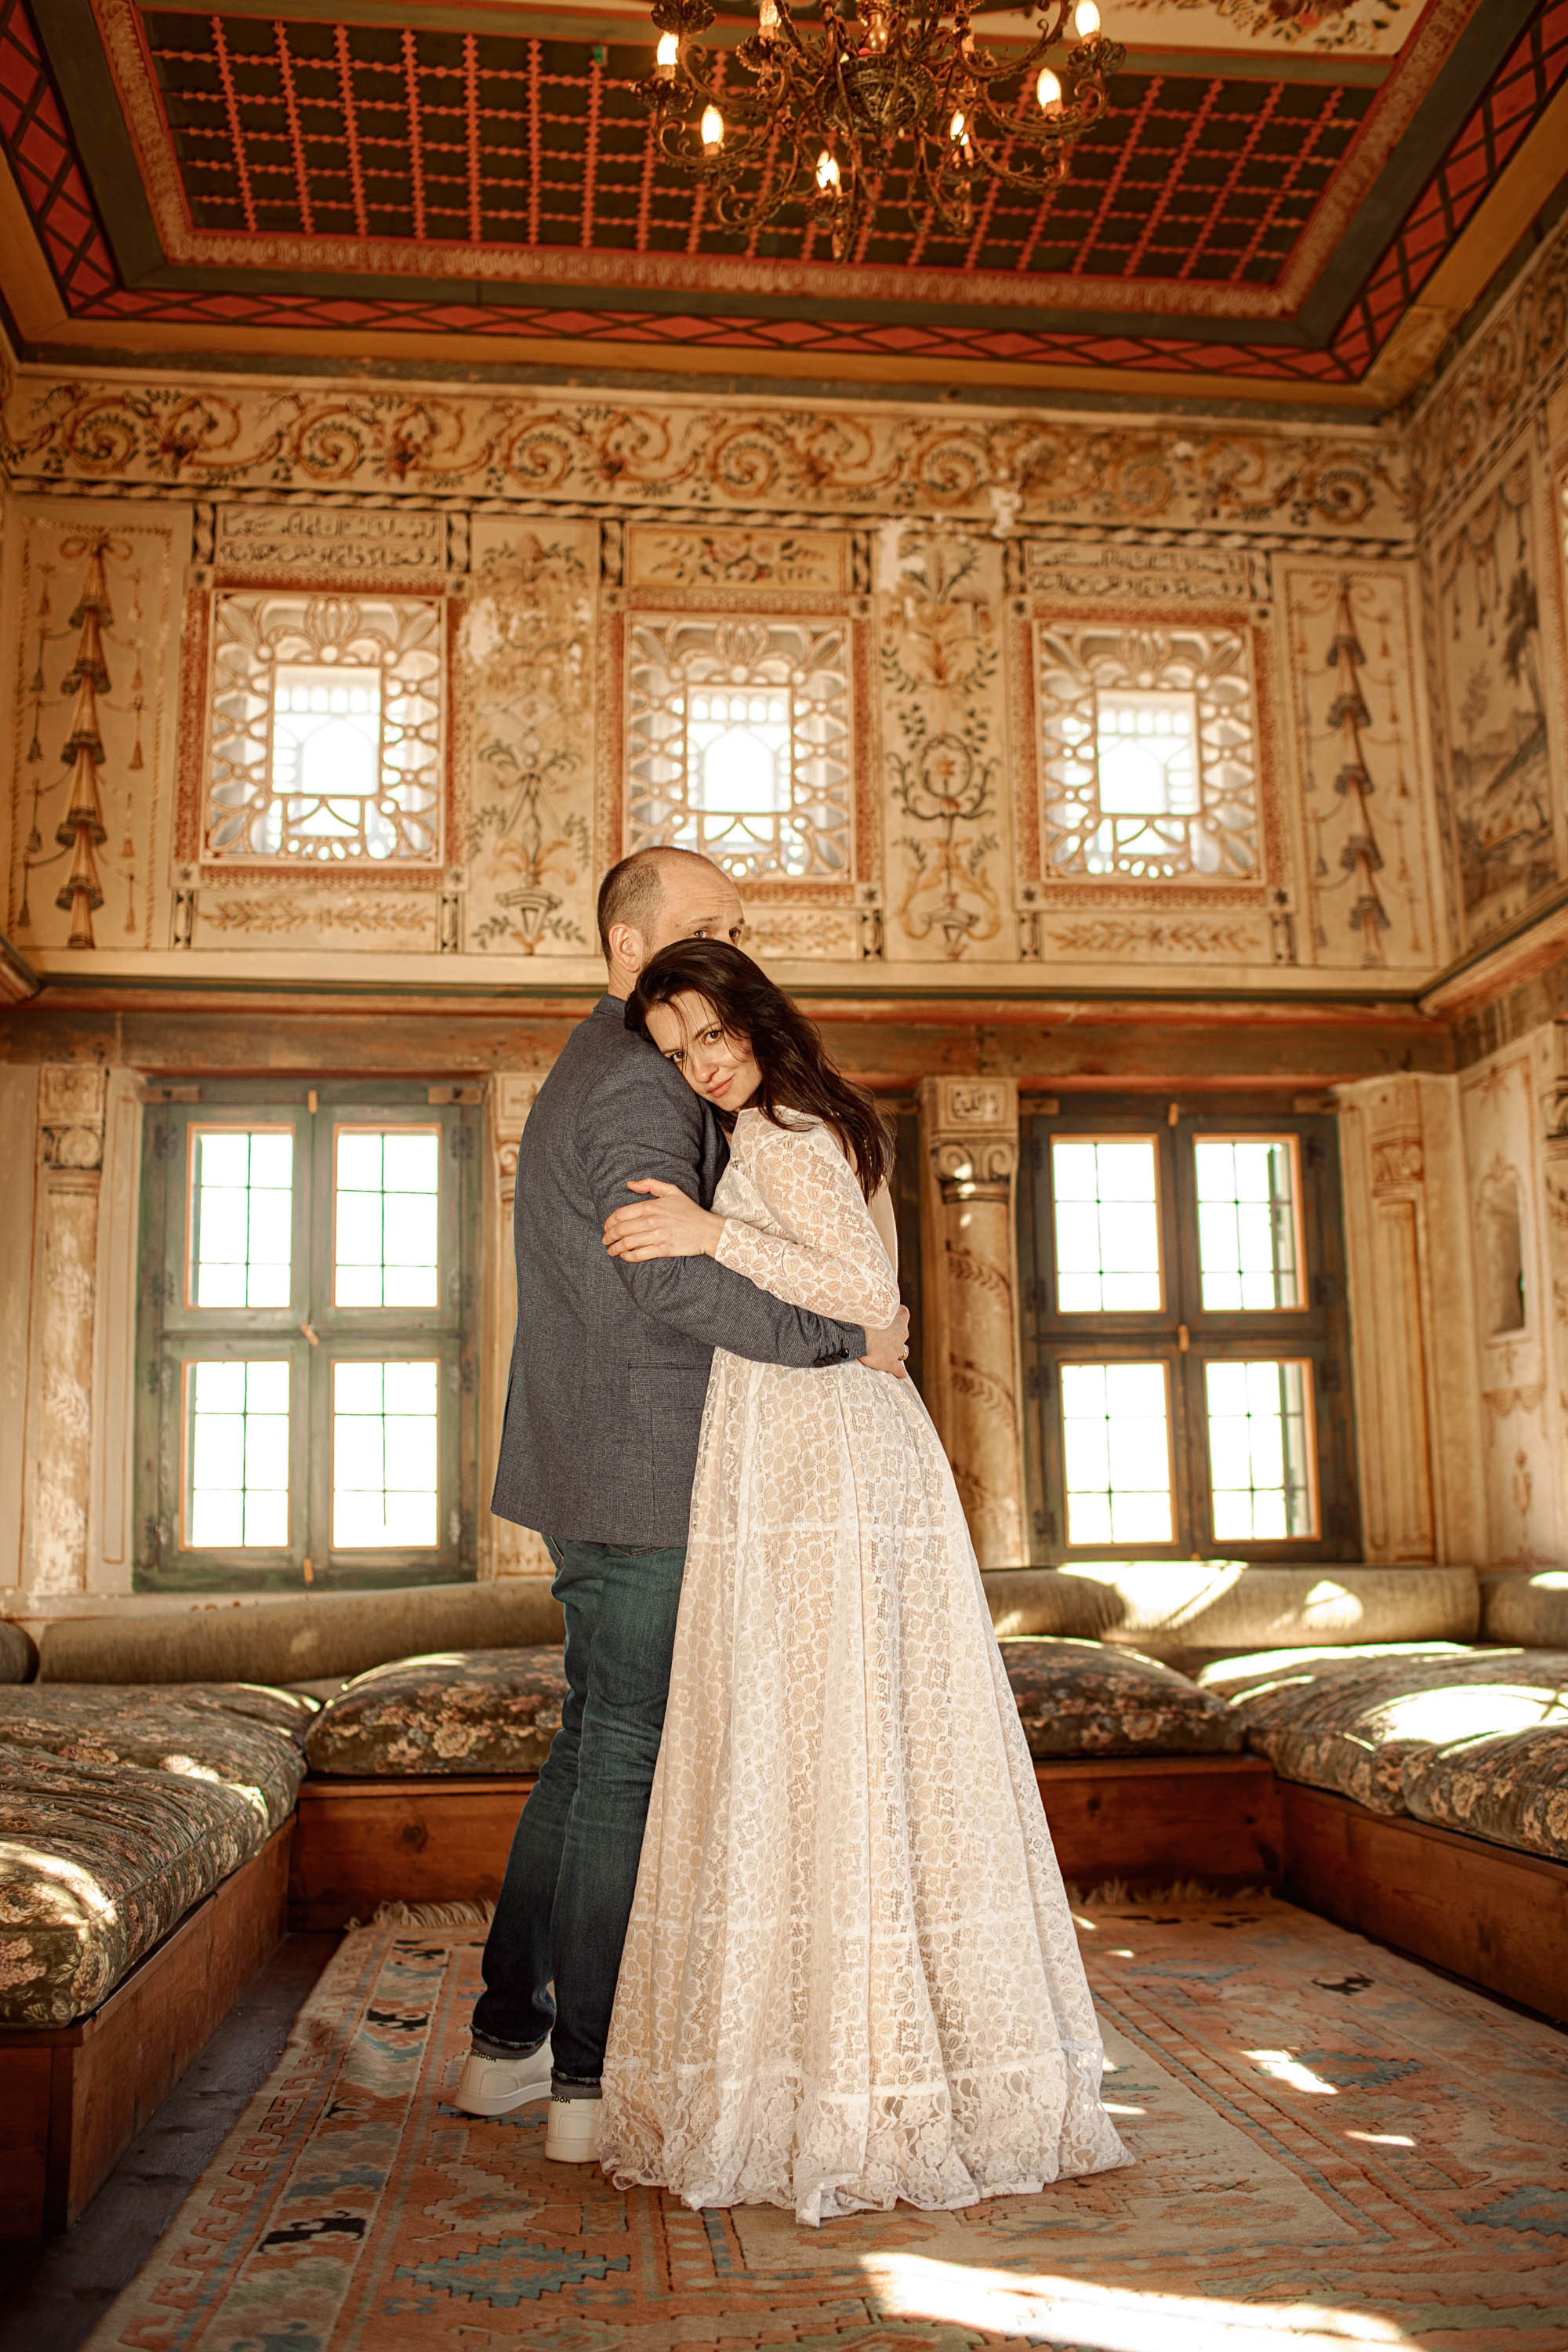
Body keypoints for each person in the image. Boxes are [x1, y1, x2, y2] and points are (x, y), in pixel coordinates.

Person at [596, 938, 1129, 2224]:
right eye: (679, 1051)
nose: (703, 1065)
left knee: (844, 1741)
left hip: (832, 1459)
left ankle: (871, 2083)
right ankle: (829, 2069)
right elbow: (863, 1315)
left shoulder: (789, 1132)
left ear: (757, 1018)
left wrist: (708, 1230)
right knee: (816, 1744)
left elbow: (861, 1296)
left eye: (712, 1032)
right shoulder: (781, 1127)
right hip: (807, 1447)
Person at [452, 848, 911, 2161]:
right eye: (704, 930)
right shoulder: (638, 1082)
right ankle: (585, 2083)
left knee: (594, 1745)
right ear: (624, 943)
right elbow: (665, 1281)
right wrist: (842, 1344)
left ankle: (505, 2044)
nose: (734, 951)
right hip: (645, 1469)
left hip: (596, 1460)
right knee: (625, 1769)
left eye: (739, 931)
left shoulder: (604, 1063)